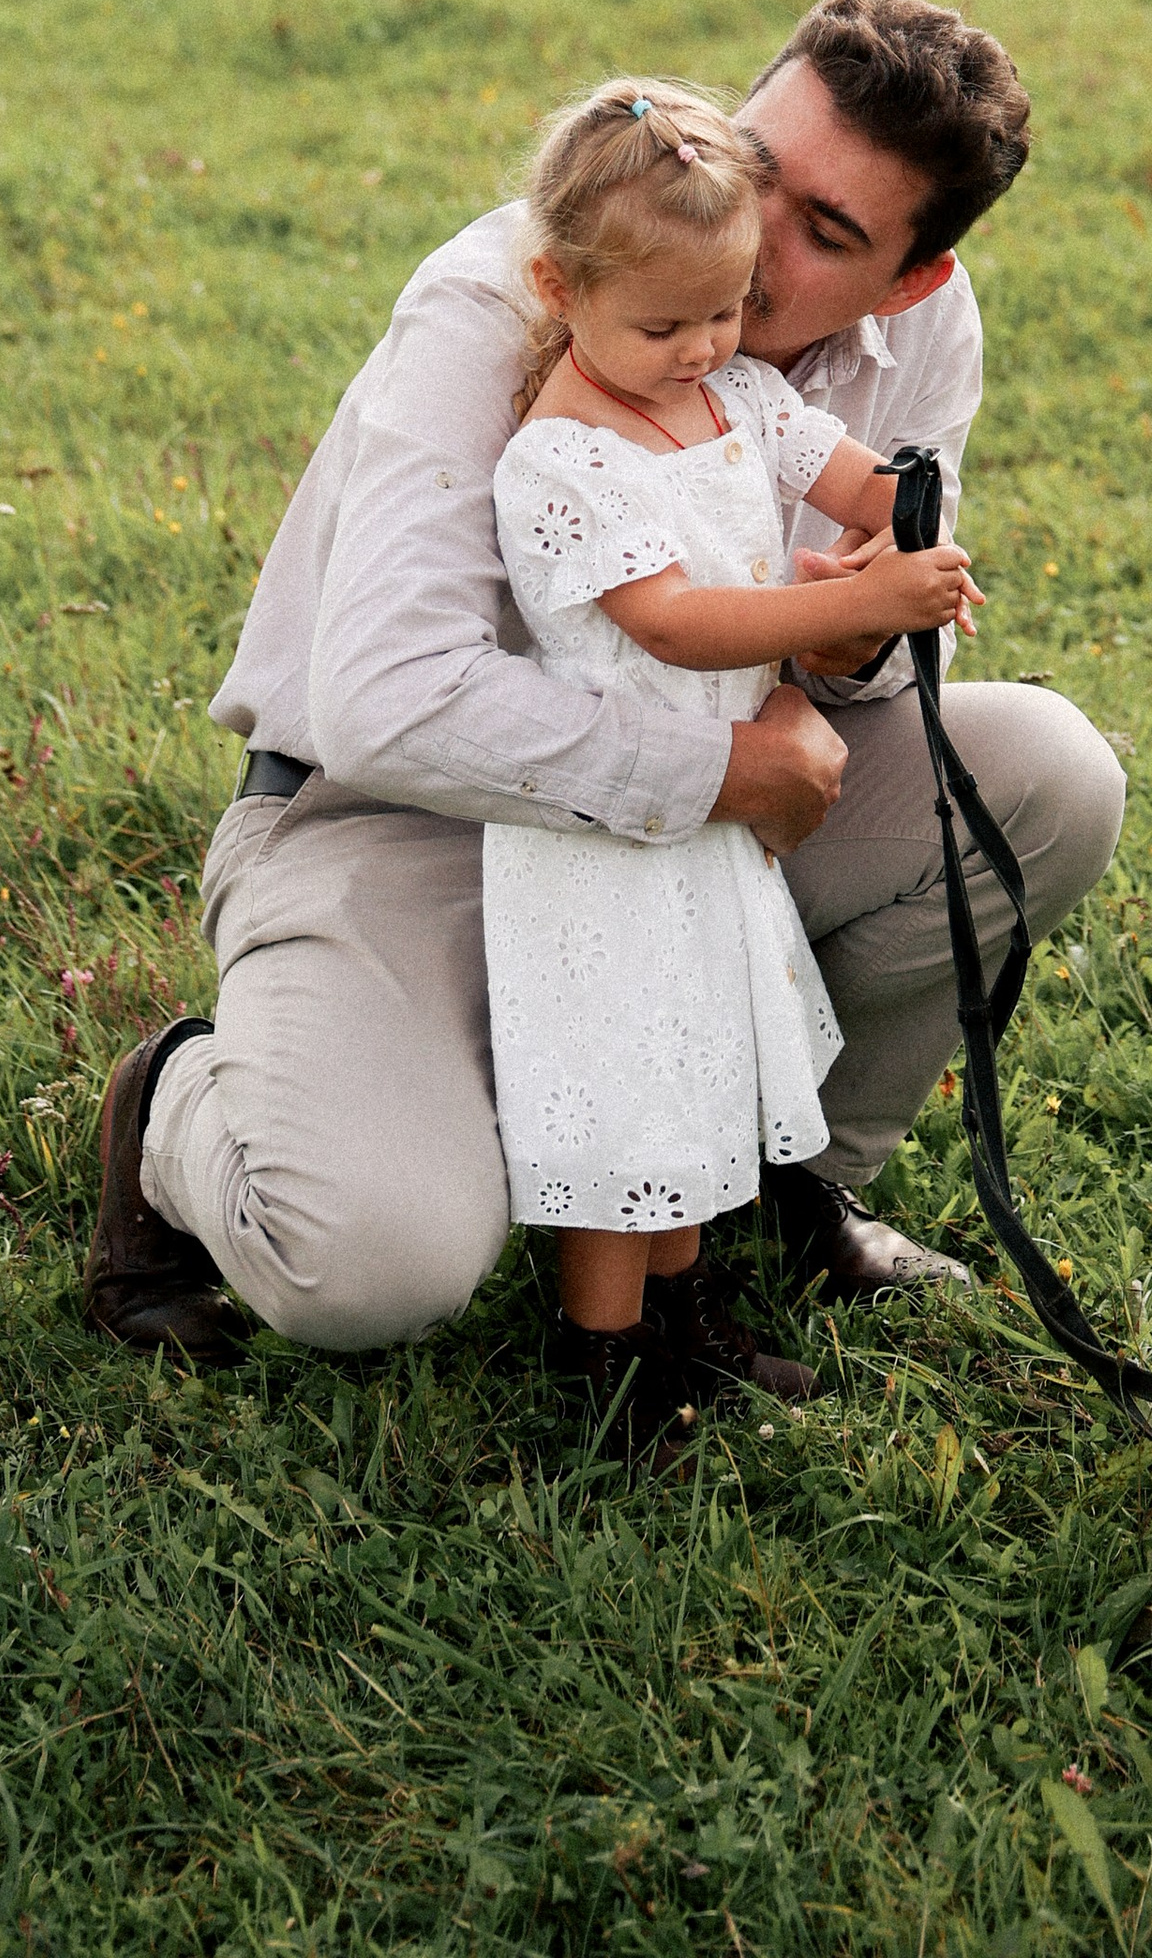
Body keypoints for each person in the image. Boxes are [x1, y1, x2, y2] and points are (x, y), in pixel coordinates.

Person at [84, 0, 1126, 1371]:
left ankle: (778, 1180)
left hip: (698, 842)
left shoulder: (925, 332)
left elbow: (874, 639)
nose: (753, 253)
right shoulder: (508, 292)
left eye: (827, 235)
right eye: (759, 165)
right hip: (401, 819)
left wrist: (844, 646)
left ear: (912, 279)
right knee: (368, 1271)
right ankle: (177, 1105)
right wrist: (722, 768)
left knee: (1051, 780)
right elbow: (388, 699)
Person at [487, 73, 981, 1441]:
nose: (703, 346)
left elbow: (861, 475)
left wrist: (904, 519)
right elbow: (682, 622)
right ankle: (606, 1363)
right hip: (605, 848)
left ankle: (688, 1324)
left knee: (700, 1075)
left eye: (724, 309)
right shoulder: (560, 462)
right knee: (626, 1105)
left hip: (711, 836)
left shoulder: (741, 397)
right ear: (560, 286)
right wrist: (849, 607)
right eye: (664, 323)